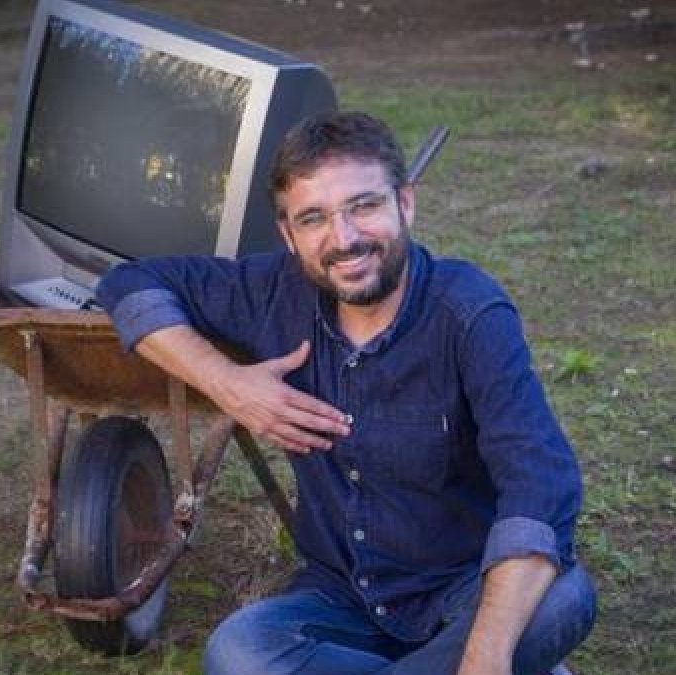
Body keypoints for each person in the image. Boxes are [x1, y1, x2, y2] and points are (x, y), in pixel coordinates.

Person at [96, 111, 596, 675]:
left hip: (466, 590)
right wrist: (228, 384)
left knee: (562, 597)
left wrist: (484, 653)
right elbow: (129, 284)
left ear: (404, 204)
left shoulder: (470, 312)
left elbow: (540, 487)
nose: (345, 239)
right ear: (288, 234)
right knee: (239, 652)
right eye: (314, 219)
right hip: (342, 601)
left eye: (364, 206)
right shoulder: (272, 291)